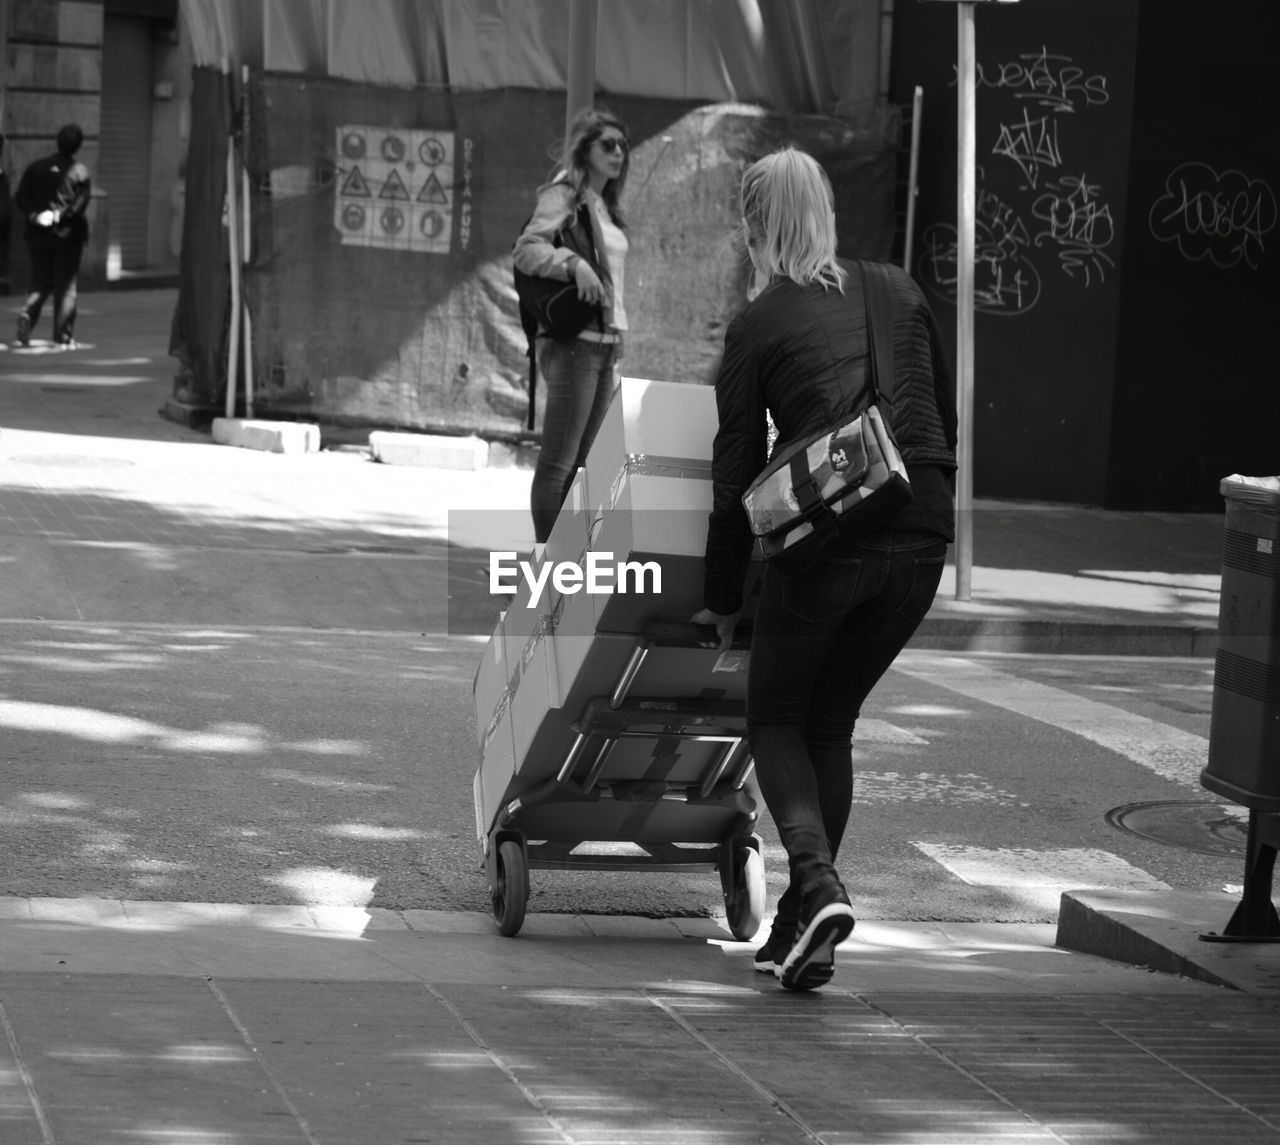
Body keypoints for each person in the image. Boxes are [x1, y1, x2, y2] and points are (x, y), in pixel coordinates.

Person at [692, 148, 957, 991]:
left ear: (754, 227)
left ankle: (818, 881)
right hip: (921, 536)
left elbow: (733, 471)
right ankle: (805, 932)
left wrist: (720, 597)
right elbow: (940, 419)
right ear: (828, 213)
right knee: (829, 722)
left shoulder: (759, 324)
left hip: (830, 543)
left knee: (775, 717)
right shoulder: (901, 289)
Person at [513, 107, 631, 543]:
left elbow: (613, 284)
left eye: (623, 145)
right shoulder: (565, 194)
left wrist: (618, 333)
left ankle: (565, 571)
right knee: (559, 464)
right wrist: (571, 263)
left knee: (584, 466)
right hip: (574, 344)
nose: (618, 152)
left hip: (603, 344)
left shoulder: (607, 206)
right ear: (586, 150)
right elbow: (526, 249)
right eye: (608, 144)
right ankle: (548, 571)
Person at [14, 123, 92, 349]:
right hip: (68, 236)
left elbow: (21, 198)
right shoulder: (79, 173)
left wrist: (35, 216)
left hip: (37, 235)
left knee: (40, 280)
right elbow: (79, 205)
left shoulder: (36, 167)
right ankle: (63, 336)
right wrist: (58, 216)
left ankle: (28, 313)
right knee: (65, 286)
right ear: (78, 146)